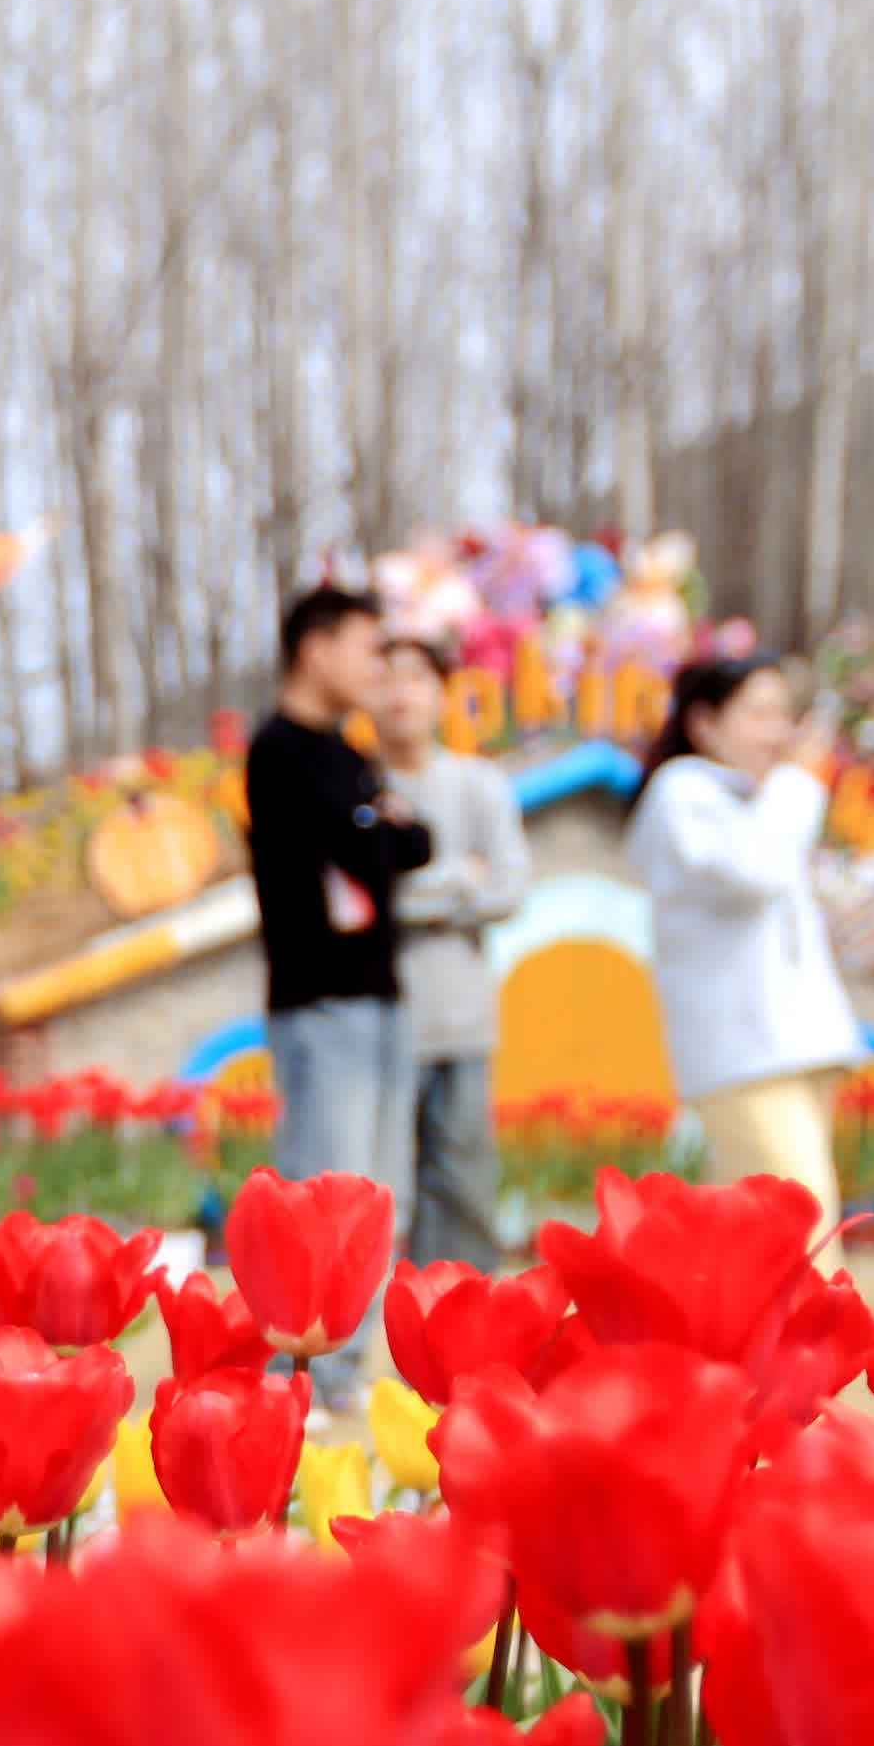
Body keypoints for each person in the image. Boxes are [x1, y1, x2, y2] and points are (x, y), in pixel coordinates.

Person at [244, 584, 432, 1397]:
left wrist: (379, 829)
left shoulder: (349, 756)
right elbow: (370, 848)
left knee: (382, 1196)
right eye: (367, 649)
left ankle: (345, 1376)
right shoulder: (280, 750)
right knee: (326, 1197)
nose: (379, 669)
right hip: (322, 1004)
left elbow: (412, 841)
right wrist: (376, 828)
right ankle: (307, 1381)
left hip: (382, 996)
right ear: (314, 650)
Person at [631, 651, 863, 1215]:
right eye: (758, 714)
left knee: (765, 1229)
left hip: (796, 1044)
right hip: (744, 1052)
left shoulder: (753, 799)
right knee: (799, 1223)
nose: (777, 733)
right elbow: (755, 870)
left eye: (782, 714)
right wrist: (800, 783)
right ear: (703, 722)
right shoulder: (682, 791)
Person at [372, 623, 535, 1272]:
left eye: (417, 677)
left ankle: (465, 1340)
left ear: (444, 693)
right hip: (382, 1023)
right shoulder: (356, 787)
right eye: (384, 677)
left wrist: (415, 887)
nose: (400, 694)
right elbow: (362, 904)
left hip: (464, 1024)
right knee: (384, 1197)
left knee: (464, 1191)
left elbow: (511, 887)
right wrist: (457, 881)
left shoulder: (478, 784)